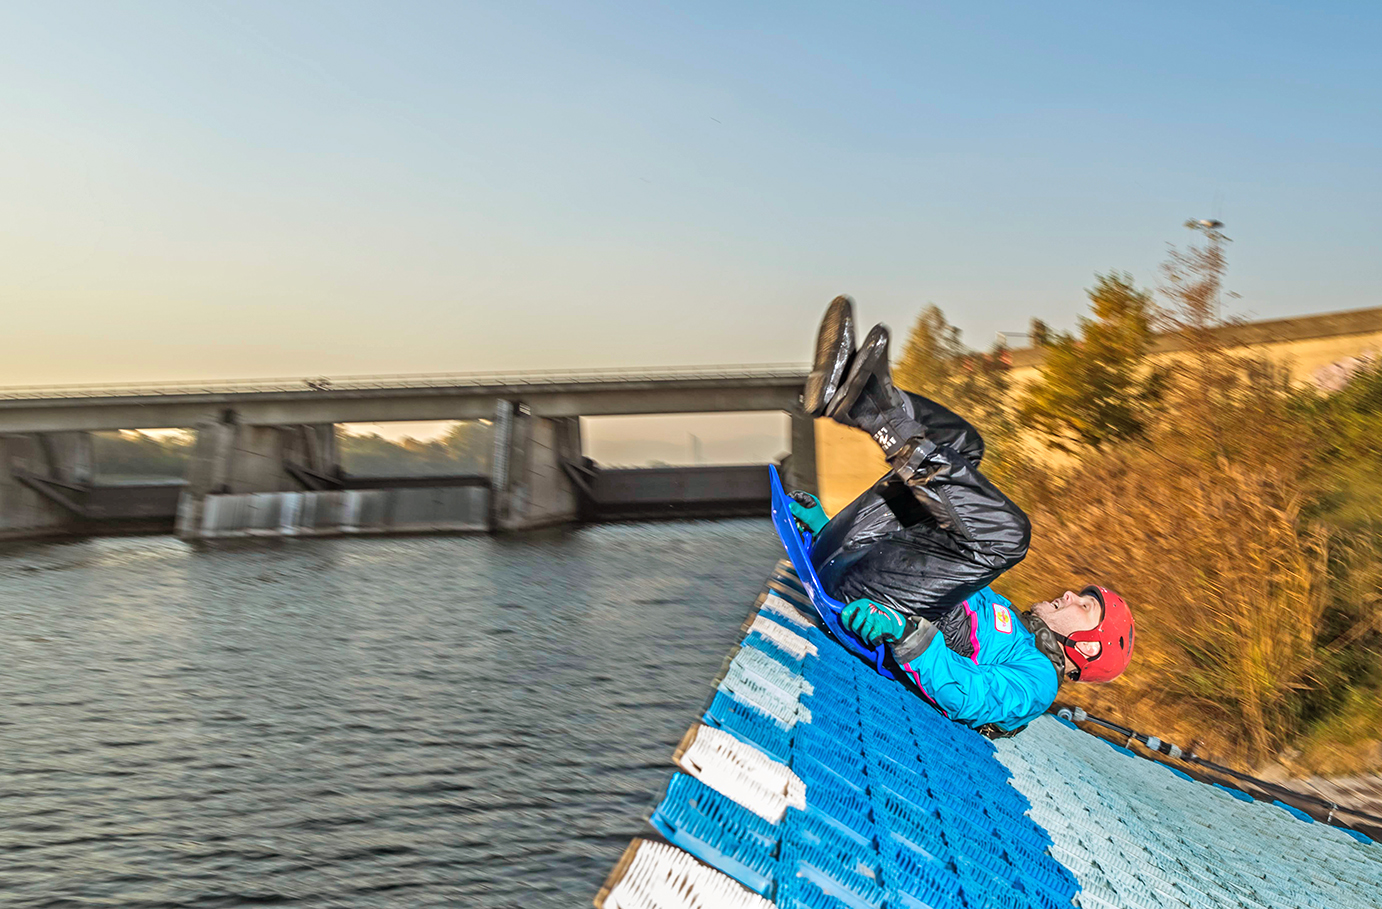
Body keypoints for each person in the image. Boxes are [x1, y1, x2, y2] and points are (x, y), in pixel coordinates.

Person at [789, 296, 1135, 737]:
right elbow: (923, 566)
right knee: (966, 448)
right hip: (853, 563)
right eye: (1080, 594)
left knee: (1008, 538)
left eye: (1084, 606)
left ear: (1086, 647)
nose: (1069, 594)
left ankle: (866, 405)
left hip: (874, 610)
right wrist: (828, 528)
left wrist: (904, 633)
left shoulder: (1038, 683)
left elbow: (970, 695)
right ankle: (852, 396)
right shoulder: (1007, 615)